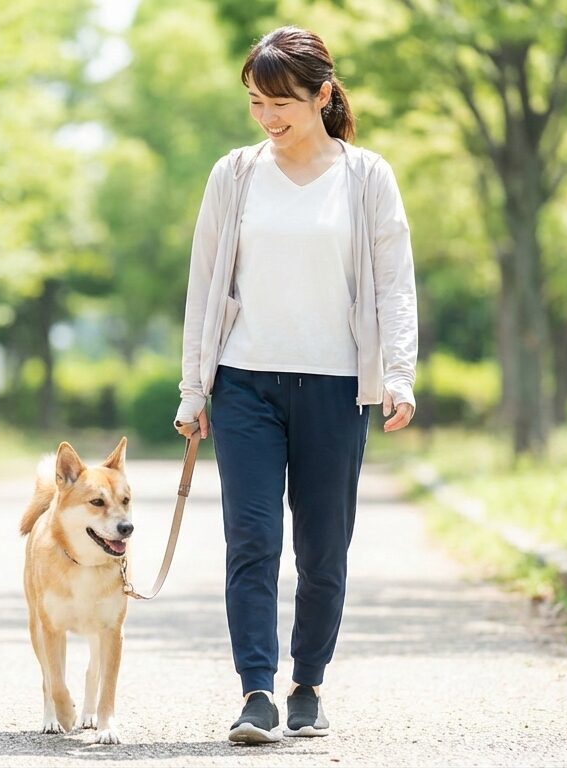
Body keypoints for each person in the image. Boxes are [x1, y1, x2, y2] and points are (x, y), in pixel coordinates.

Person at [173, 25, 418, 744]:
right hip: (246, 383)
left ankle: (307, 679)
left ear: (321, 95)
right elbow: (204, 289)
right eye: (255, 101)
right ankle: (256, 691)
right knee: (251, 539)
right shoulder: (235, 174)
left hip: (338, 386)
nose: (267, 117)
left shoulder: (366, 176)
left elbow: (395, 286)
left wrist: (398, 374)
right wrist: (195, 389)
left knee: (323, 548)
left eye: (280, 101)